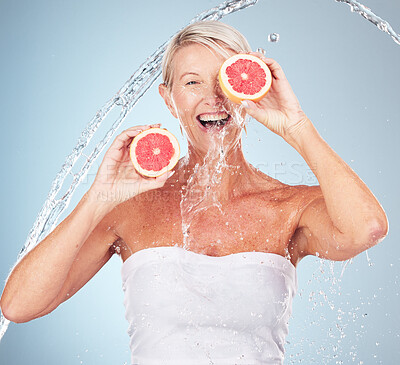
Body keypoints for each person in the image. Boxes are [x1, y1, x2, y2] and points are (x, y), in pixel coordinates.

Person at [0, 21, 388, 364]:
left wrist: (296, 125)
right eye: (192, 82)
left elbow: (366, 228)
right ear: (169, 99)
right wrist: (98, 196)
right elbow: (18, 306)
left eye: (226, 80)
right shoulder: (128, 208)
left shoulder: (288, 207)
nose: (213, 97)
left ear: (249, 89)